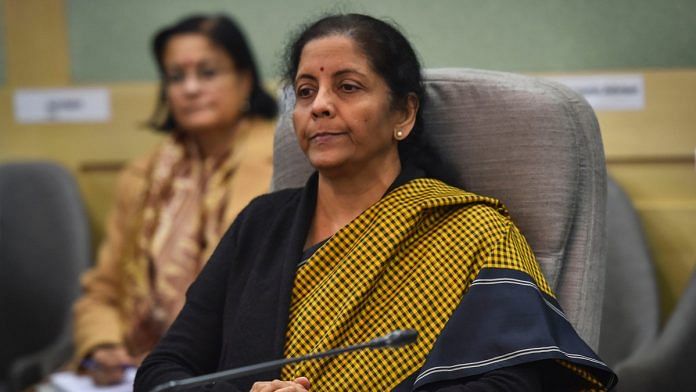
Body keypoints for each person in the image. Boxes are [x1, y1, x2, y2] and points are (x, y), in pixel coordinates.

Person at [134, 13, 617, 391]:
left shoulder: (471, 230)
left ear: (403, 113)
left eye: (347, 86)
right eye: (306, 91)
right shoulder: (260, 224)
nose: (320, 105)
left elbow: (511, 381)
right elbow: (166, 368)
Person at [72, 14, 277, 386]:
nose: (191, 88)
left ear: (245, 79)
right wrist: (101, 344)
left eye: (208, 72)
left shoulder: (282, 164)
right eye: (176, 76)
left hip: (233, 369)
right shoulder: (143, 175)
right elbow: (104, 289)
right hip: (134, 371)